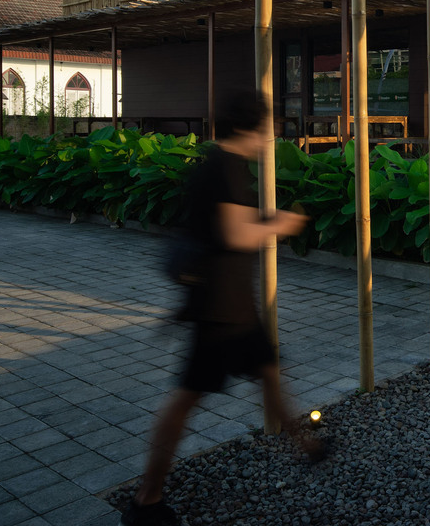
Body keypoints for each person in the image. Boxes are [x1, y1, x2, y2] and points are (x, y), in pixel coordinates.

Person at [124, 91, 324, 526]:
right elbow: (236, 235)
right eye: (268, 126)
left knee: (269, 372)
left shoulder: (220, 165)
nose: (272, 134)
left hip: (229, 301)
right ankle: (146, 500)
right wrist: (282, 223)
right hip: (220, 307)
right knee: (188, 398)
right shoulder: (224, 170)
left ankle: (307, 445)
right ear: (252, 128)